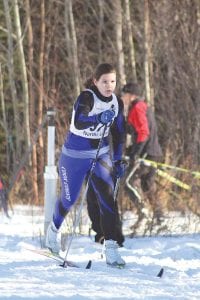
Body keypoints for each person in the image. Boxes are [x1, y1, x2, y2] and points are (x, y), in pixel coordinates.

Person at [46, 63, 126, 267]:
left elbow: (118, 133)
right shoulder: (87, 97)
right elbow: (80, 121)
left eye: (113, 81)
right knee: (69, 198)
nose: (109, 86)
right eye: (105, 81)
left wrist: (117, 160)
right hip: (74, 156)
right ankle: (53, 231)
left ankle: (111, 248)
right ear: (95, 82)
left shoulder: (116, 102)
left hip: (100, 155)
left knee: (108, 199)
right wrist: (99, 117)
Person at [121, 83, 163, 222]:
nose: (123, 97)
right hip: (153, 152)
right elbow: (134, 130)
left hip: (147, 153)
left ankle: (143, 211)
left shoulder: (138, 107)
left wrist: (136, 153)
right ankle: (159, 217)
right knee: (147, 184)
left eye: (124, 94)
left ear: (132, 95)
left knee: (127, 182)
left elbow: (143, 132)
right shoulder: (140, 107)